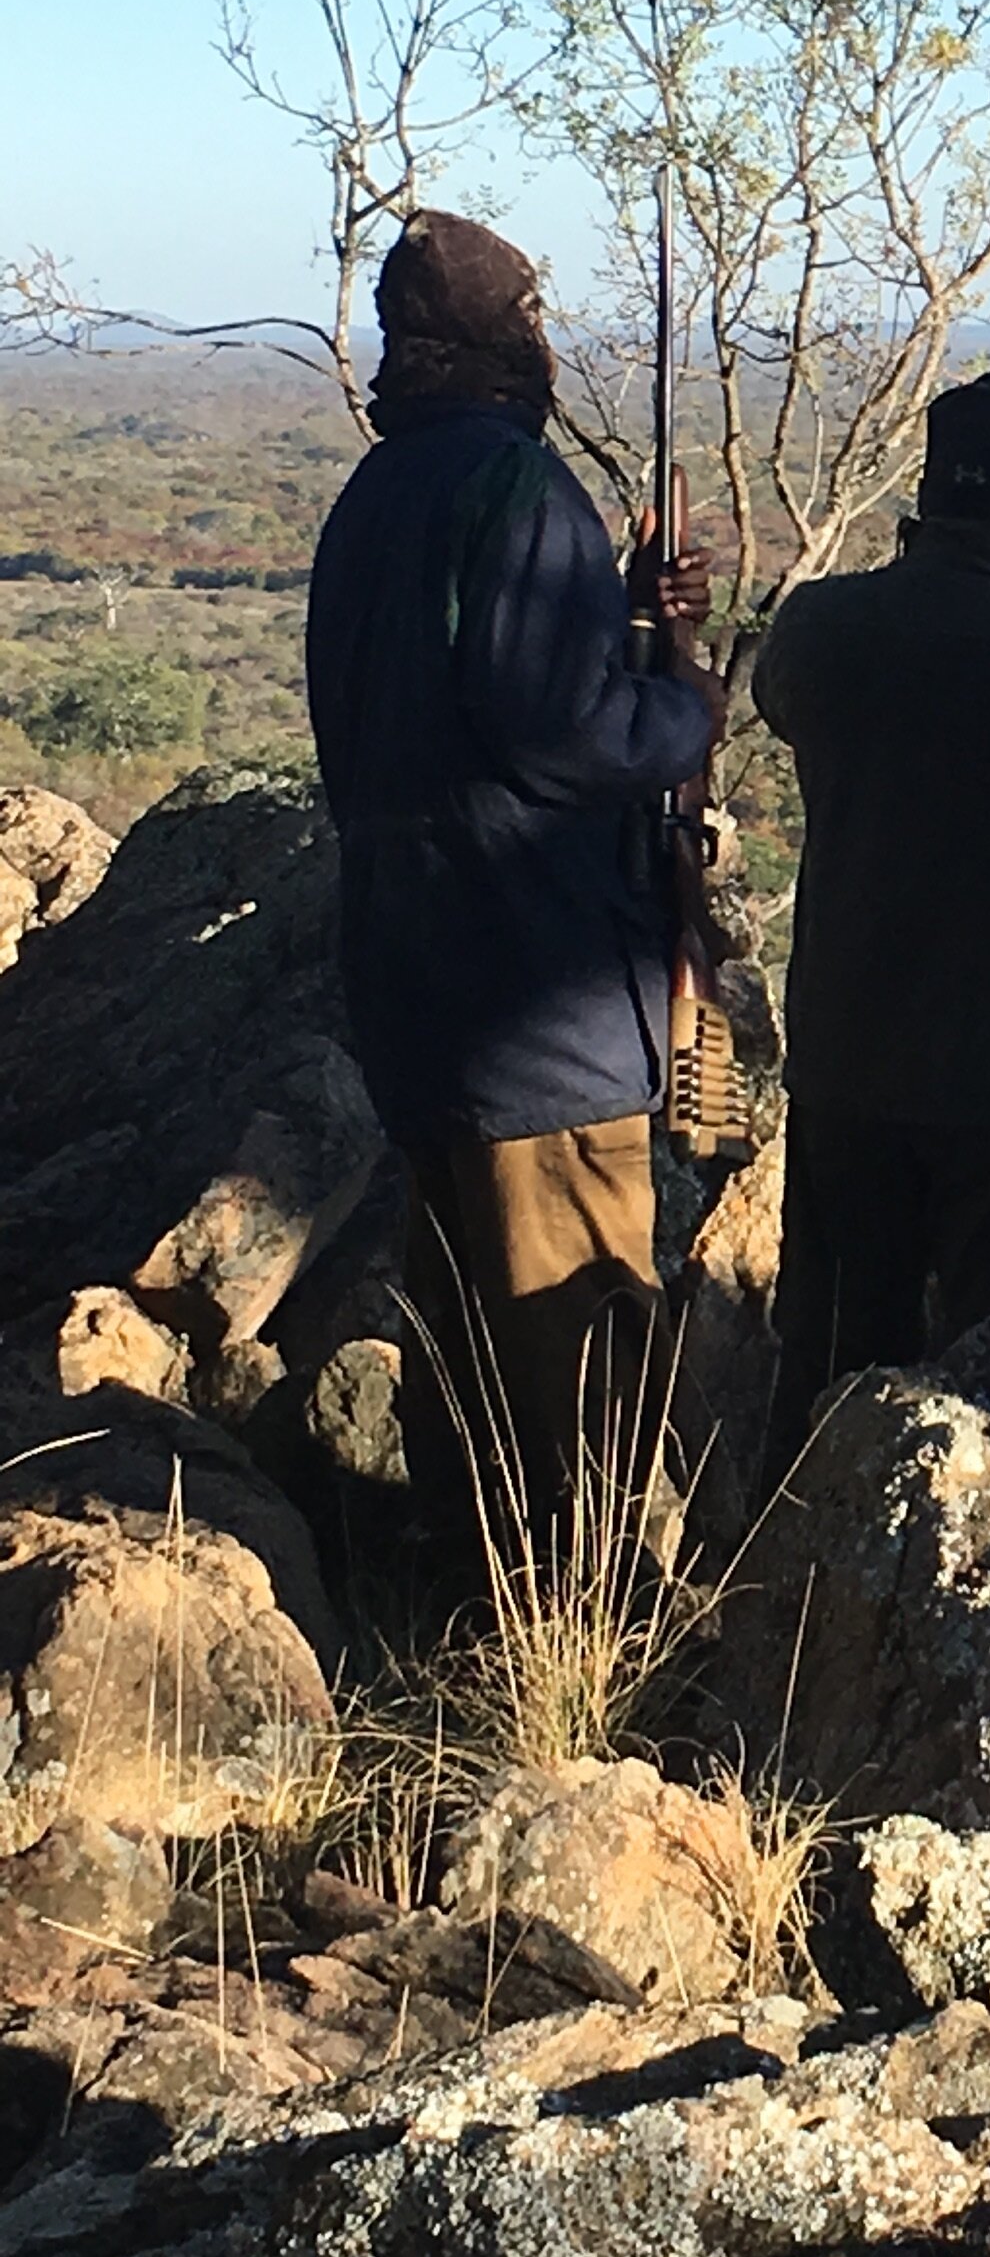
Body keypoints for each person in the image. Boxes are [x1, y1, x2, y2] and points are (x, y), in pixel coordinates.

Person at [305, 210, 720, 1550]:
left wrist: (623, 611)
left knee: (463, 1343)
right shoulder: (516, 491)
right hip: (542, 1011)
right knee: (583, 1348)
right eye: (531, 317)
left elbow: (450, 702)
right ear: (502, 336)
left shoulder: (374, 500)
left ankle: (461, 1612)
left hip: (416, 995)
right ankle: (590, 1652)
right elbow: (561, 733)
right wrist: (686, 706)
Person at [749, 371, 990, 1475]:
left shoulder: (822, 631)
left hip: (850, 1067)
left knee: (830, 1366)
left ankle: (793, 1600)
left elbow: (779, 692)